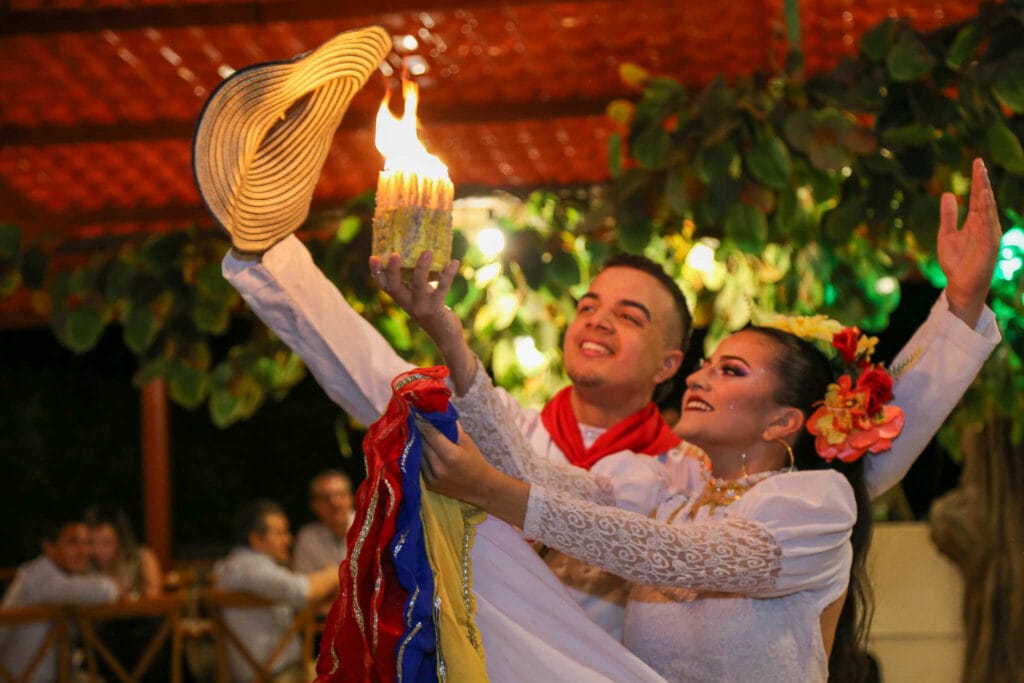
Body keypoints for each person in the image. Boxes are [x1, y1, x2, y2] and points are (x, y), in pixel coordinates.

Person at [223, 159, 1001, 641]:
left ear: (670, 362)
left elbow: (860, 446)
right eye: (589, 304)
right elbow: (371, 367)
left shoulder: (687, 474)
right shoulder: (534, 441)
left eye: (629, 315)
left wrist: (957, 310)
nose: (596, 319)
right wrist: (271, 256)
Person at [213, 499, 338, 682]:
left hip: (270, 673)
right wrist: (340, 570)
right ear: (256, 539)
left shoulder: (236, 566)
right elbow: (302, 590)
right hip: (278, 676)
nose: (288, 539)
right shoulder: (250, 566)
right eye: (280, 533)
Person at [0, 515, 119, 683]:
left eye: (86, 543)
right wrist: (115, 585)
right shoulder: (39, 578)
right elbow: (105, 591)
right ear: (49, 548)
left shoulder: (53, 576)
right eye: (73, 542)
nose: (84, 551)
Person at [84, 503, 163, 600]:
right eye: (91, 542)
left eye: (106, 542)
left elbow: (153, 602)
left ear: (120, 540)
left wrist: (120, 593)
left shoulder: (141, 559)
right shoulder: (84, 566)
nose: (97, 550)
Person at [292, 470, 354, 573]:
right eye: (326, 498)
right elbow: (308, 583)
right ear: (314, 505)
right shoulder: (308, 538)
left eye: (341, 495)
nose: (335, 503)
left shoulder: (372, 526)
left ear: (351, 498)